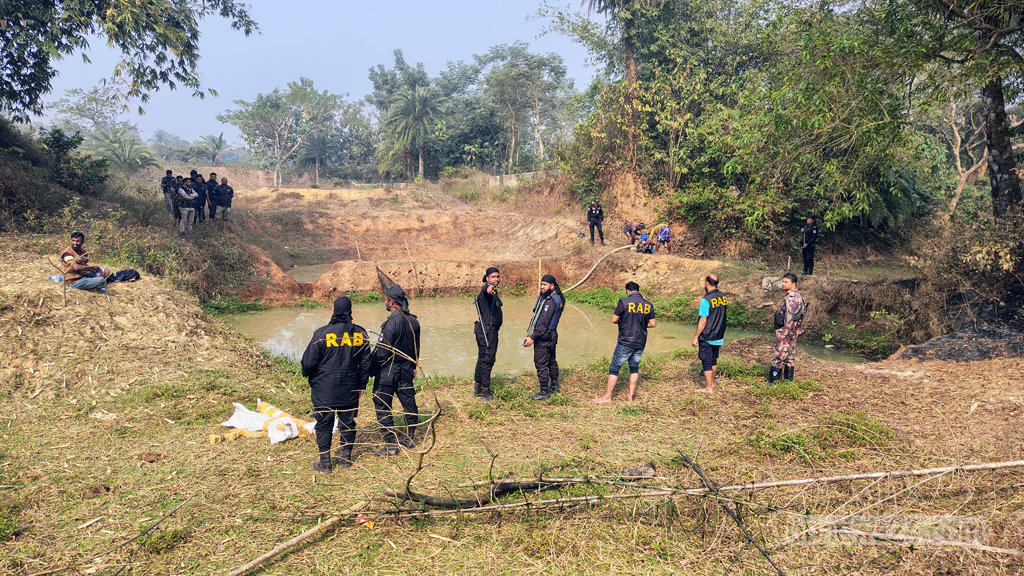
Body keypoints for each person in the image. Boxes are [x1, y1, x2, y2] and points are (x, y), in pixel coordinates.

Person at [300, 296, 372, 473]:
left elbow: (308, 363)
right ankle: (345, 459)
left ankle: (325, 465)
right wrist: (361, 384)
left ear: (333, 311)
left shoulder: (322, 334)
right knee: (348, 422)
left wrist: (308, 375)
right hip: (350, 387)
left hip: (324, 388)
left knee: (324, 424)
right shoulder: (361, 334)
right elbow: (366, 364)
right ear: (351, 312)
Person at [370, 284, 421, 456]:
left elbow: (382, 352)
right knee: (408, 401)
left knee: (382, 403)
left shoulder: (391, 323)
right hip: (406, 368)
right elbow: (416, 348)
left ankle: (391, 446)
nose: (385, 302)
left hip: (389, 370)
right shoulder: (413, 321)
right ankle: (411, 438)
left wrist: (370, 369)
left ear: (391, 301)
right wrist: (413, 366)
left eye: (385, 300)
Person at [593, 282, 656, 403]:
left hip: (625, 340)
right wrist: (640, 325)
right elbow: (653, 324)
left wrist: (625, 322)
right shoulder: (648, 305)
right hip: (640, 341)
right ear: (638, 290)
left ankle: (607, 397)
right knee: (634, 368)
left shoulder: (624, 301)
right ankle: (630, 396)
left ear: (628, 291)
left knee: (614, 368)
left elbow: (614, 320)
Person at [524, 274, 564, 400]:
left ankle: (544, 392)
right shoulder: (558, 298)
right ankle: (554, 386)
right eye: (541, 284)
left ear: (552, 286)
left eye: (545, 285)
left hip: (544, 337)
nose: (542, 287)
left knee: (541, 363)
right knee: (551, 360)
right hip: (552, 335)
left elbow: (543, 324)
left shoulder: (550, 302)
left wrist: (532, 337)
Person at [691, 274, 728, 392]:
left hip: (707, 335)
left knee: (706, 360)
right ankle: (710, 383)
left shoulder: (705, 300)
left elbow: (703, 320)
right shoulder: (723, 297)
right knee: (713, 359)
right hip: (719, 334)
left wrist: (696, 336)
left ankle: (708, 388)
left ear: (707, 282)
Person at [768, 273, 806, 383]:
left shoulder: (791, 298)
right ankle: (788, 382)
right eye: (783, 282)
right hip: (794, 331)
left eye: (786, 282)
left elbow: (790, 316)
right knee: (790, 357)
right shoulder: (799, 296)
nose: (783, 284)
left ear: (793, 284)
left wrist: (785, 332)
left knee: (779, 357)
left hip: (787, 331)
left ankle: (773, 382)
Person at [473, 267, 502, 403]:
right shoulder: (487, 290)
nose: (496, 279)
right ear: (487, 278)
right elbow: (487, 289)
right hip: (488, 331)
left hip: (485, 330)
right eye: (493, 277)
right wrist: (489, 288)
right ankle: (486, 393)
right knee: (487, 360)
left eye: (498, 276)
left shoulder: (493, 291)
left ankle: (477, 388)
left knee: (482, 358)